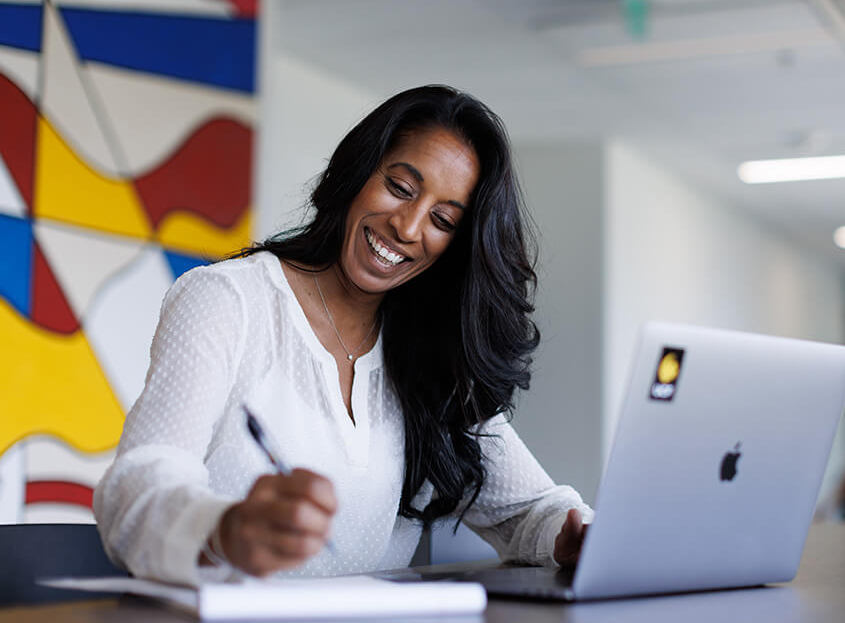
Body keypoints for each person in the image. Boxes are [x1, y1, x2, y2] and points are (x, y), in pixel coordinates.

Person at [94, 85, 593, 584]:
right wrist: (226, 529)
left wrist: (573, 534)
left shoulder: (432, 353)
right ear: (357, 172)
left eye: (442, 220)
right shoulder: (228, 300)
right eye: (399, 187)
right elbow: (136, 489)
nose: (408, 226)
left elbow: (526, 510)